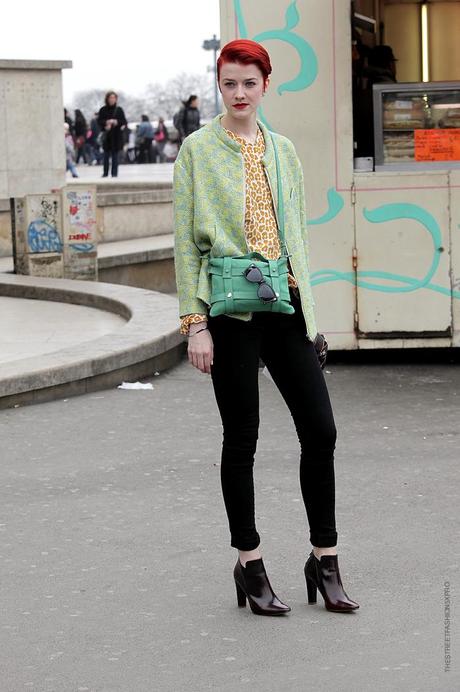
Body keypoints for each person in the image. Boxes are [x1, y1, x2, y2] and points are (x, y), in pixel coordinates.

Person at [173, 38, 360, 616]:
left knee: (321, 431)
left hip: (284, 306)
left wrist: (311, 320)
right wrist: (194, 324)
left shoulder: (282, 151)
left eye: (248, 83)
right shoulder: (196, 151)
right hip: (229, 312)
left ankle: (324, 559)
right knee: (242, 439)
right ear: (219, 85)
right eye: (229, 83)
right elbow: (185, 243)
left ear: (264, 86)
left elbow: (297, 238)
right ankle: (249, 564)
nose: (238, 93)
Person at [97, 91, 128, 177]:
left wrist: (116, 122)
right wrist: (106, 122)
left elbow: (124, 122)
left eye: (114, 98)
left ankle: (114, 173)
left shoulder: (119, 110)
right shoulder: (103, 110)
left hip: (116, 136)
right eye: (110, 98)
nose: (112, 100)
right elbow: (99, 121)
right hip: (107, 136)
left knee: (115, 155)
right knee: (106, 155)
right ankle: (105, 172)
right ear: (107, 99)